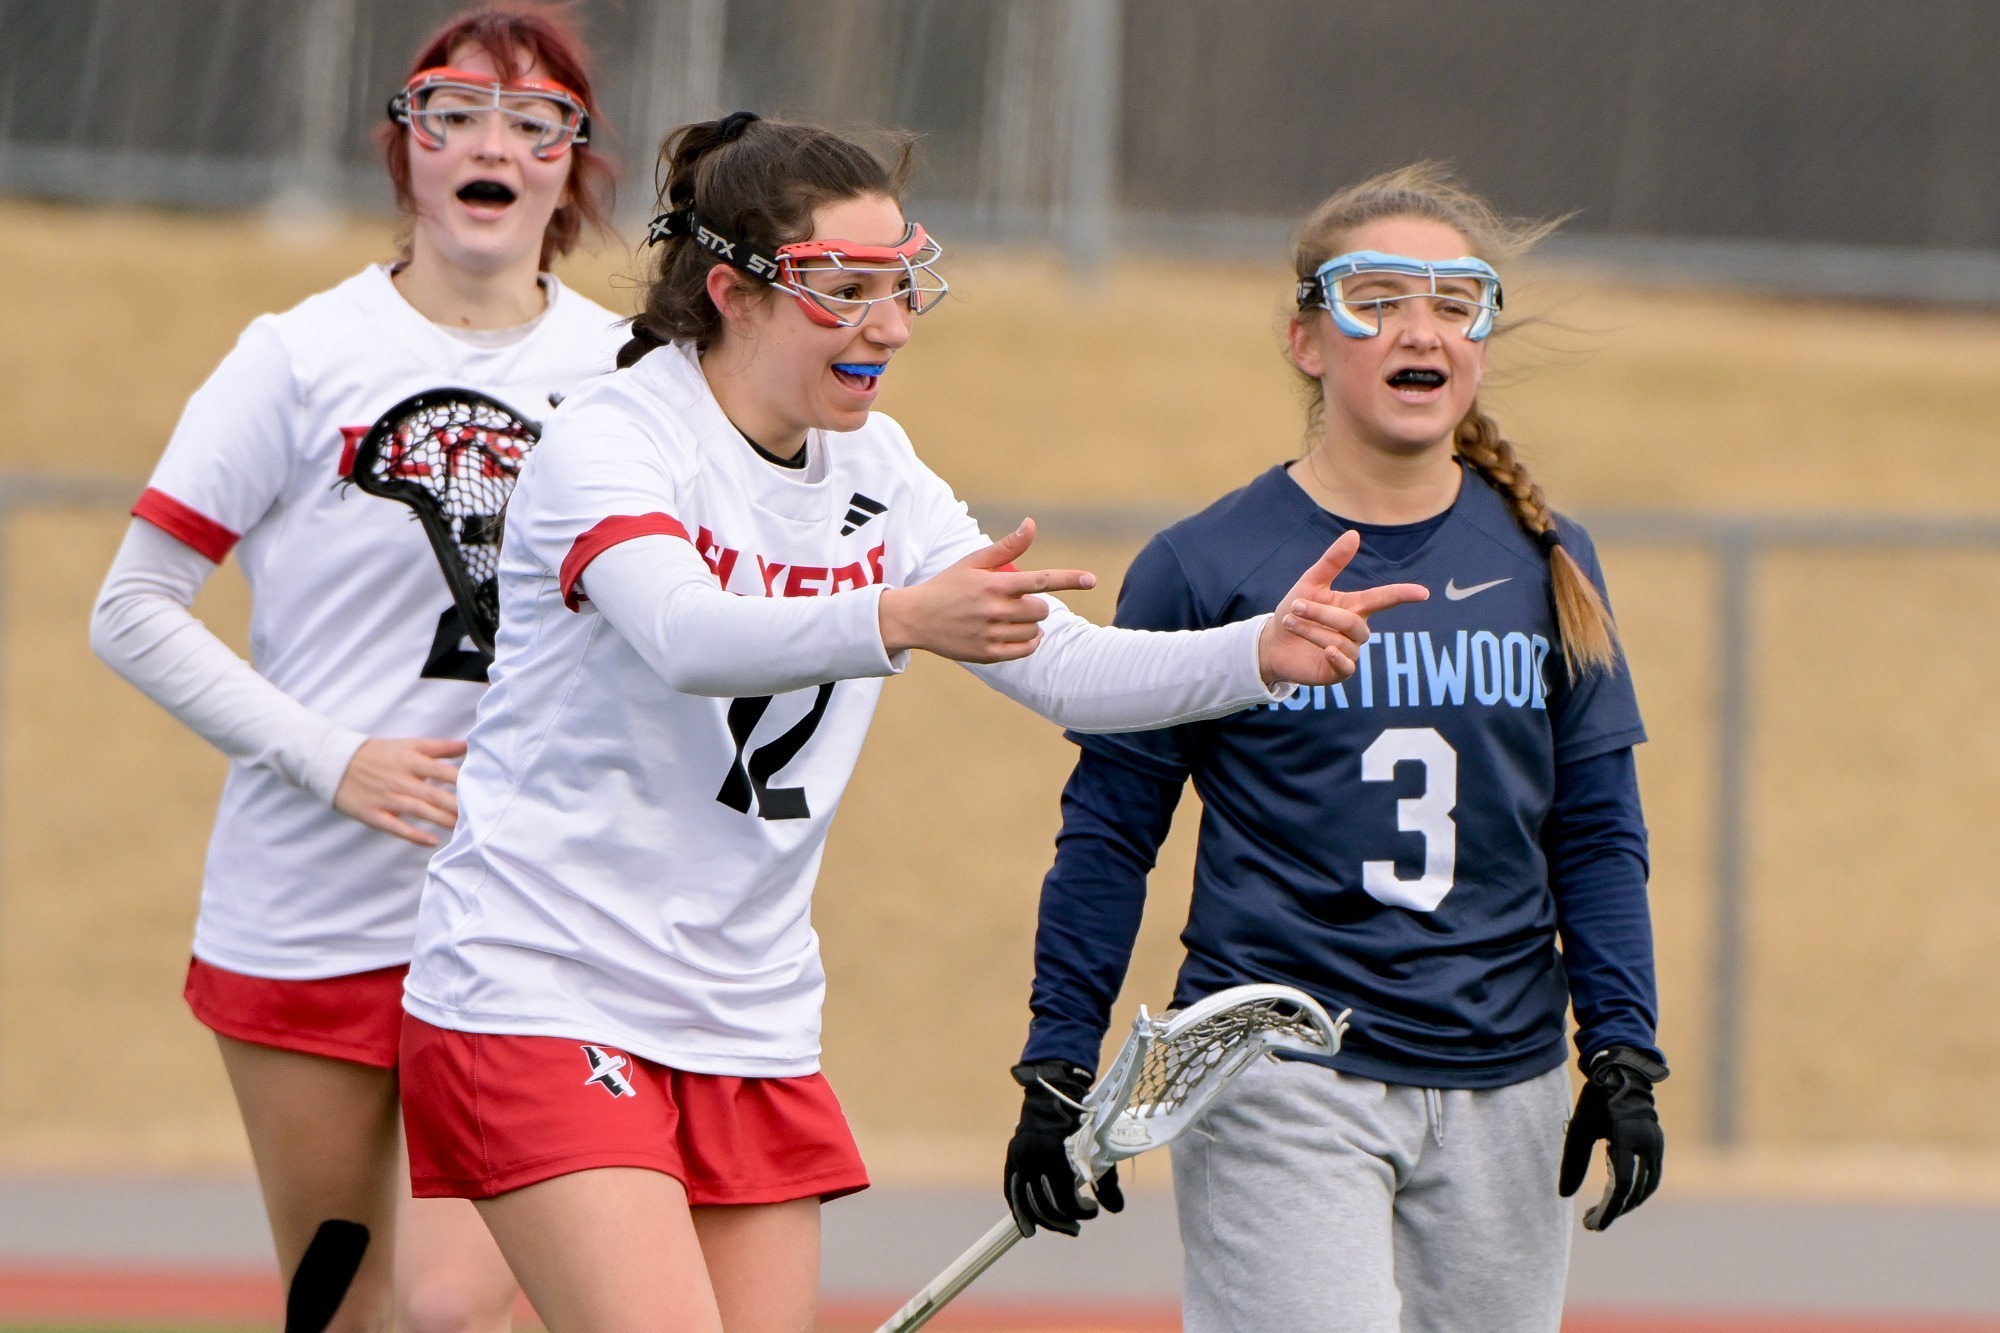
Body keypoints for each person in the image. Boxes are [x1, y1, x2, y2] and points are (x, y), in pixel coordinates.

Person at [394, 111, 1429, 1333]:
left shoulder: (876, 466)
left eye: (899, 287)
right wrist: (893, 617)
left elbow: (1065, 672)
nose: (886, 326)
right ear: (732, 289)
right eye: (844, 290)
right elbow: (682, 631)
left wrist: (1256, 653)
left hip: (745, 1009)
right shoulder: (613, 438)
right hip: (542, 981)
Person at [1002, 164, 1669, 1333]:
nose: (1420, 330)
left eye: (1453, 303)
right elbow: (1111, 830)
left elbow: (1597, 828)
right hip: (1279, 1067)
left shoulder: (1546, 556)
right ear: (1307, 338)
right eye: (1376, 298)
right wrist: (1058, 1055)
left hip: (1504, 1070)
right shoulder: (1205, 562)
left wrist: (1621, 1046)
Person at [89, 8, 624, 1330]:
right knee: (344, 1307)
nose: (492, 144)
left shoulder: (628, 375)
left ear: (571, 161)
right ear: (408, 147)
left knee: (461, 1308)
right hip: (307, 912)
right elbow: (134, 607)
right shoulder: (295, 356)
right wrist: (334, 760)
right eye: (456, 114)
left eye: (534, 119)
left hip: (528, 920)